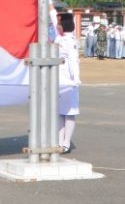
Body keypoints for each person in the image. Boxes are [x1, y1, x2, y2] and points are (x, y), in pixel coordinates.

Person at [54, 12, 80, 154]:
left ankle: (66, 142)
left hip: (69, 80)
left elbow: (74, 61)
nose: (57, 26)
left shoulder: (70, 41)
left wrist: (75, 80)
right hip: (58, 79)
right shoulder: (59, 38)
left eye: (59, 23)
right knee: (59, 112)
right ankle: (59, 141)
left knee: (69, 112)